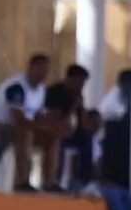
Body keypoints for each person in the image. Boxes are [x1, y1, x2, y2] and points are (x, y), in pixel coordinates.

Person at [0, 54, 58, 193]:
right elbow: (20, 120)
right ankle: (21, 180)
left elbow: (41, 117)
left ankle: (49, 182)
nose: (43, 74)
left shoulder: (41, 90)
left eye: (46, 70)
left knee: (52, 138)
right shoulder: (17, 86)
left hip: (17, 128)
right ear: (30, 68)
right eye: (39, 69)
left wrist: (50, 128)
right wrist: (41, 126)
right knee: (26, 133)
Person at [43, 63, 101, 192]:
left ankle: (83, 181)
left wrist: (82, 107)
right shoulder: (55, 92)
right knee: (59, 138)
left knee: (86, 138)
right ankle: (54, 181)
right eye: (79, 82)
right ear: (69, 79)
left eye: (83, 84)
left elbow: (85, 125)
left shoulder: (78, 96)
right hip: (51, 131)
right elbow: (58, 122)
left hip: (68, 132)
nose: (81, 87)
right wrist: (73, 106)